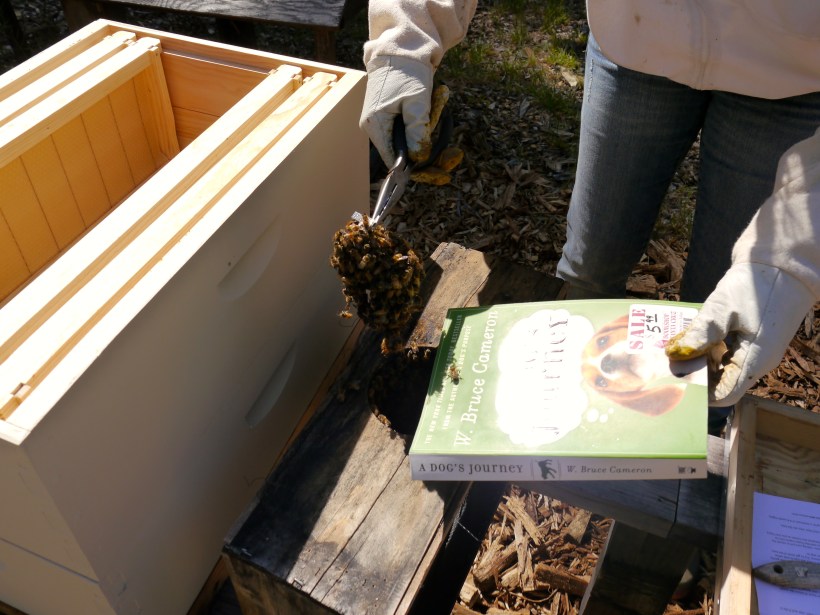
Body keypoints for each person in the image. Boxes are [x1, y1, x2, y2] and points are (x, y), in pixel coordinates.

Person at [359, 0, 820, 409]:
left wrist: (792, 253)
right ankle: (563, 416)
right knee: (589, 270)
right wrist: (405, 35)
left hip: (791, 75)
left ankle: (684, 469)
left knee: (715, 310)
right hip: (636, 36)